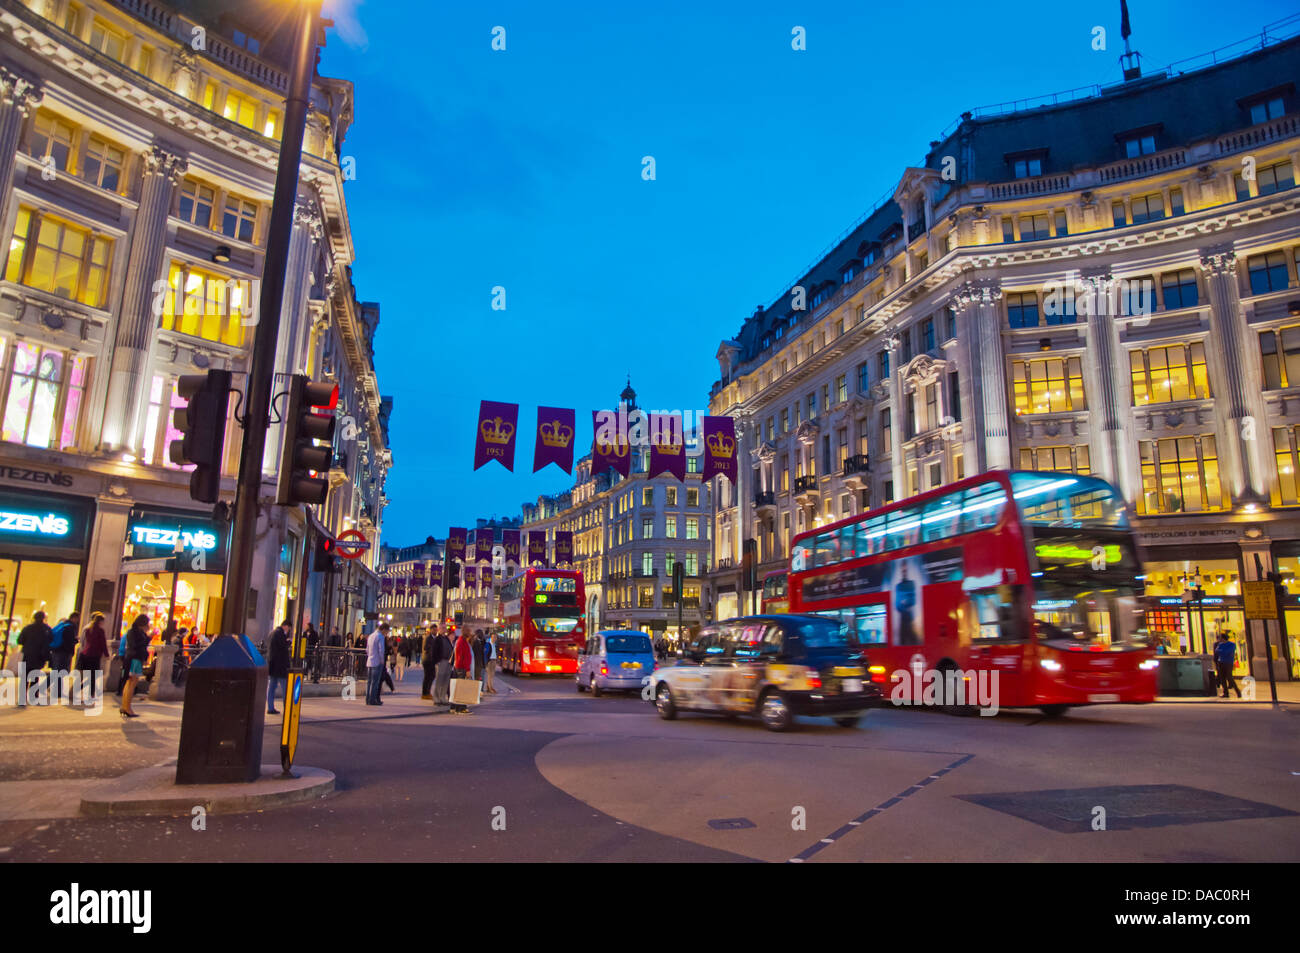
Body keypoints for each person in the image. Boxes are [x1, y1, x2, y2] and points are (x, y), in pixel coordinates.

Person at [16, 611, 52, 705]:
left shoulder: (27, 628)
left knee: (24, 678)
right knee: (35, 677)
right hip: (39, 656)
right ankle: (33, 697)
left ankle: (22, 699)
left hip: (27, 655)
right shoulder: (47, 629)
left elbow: (20, 640)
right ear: (44, 618)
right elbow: (50, 642)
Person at [120, 614, 150, 718]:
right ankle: (127, 707)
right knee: (131, 683)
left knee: (130, 683)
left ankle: (125, 706)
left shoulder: (135, 632)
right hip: (134, 659)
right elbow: (136, 646)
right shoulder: (134, 633)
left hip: (133, 658)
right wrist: (146, 638)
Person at [76, 611, 109, 703]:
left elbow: (84, 642)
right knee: (93, 677)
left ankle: (77, 692)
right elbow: (103, 644)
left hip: (86, 654)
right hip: (95, 655)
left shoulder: (88, 629)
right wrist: (106, 655)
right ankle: (90, 695)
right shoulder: (100, 630)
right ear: (100, 621)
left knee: (86, 675)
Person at [48, 611, 79, 703]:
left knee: (57, 671)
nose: (77, 621)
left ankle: (57, 691)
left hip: (56, 650)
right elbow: (68, 642)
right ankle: (48, 689)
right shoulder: (70, 627)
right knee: (59, 671)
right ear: (74, 618)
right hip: (63, 652)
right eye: (77, 618)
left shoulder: (63, 625)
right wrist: (75, 642)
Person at [267, 620, 291, 715]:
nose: (288, 630)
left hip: (272, 665)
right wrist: (288, 642)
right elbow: (283, 646)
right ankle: (288, 707)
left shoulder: (272, 633)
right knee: (285, 688)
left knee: (272, 687)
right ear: (285, 626)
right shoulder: (280, 634)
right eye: (288, 628)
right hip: (280, 666)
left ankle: (270, 707)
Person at [365, 622, 389, 706]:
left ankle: (367, 699)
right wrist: (382, 660)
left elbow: (367, 649)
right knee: (375, 682)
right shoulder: (380, 636)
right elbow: (381, 650)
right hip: (377, 662)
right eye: (386, 632)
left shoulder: (371, 635)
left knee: (369, 682)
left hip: (370, 661)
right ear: (384, 630)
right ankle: (372, 700)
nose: (386, 634)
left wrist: (370, 656)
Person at [450, 627, 473, 714]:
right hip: (461, 668)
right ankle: (461, 709)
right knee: (462, 689)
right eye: (469, 631)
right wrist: (467, 670)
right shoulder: (462, 642)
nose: (470, 633)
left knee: (458, 688)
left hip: (460, 667)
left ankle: (454, 707)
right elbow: (462, 657)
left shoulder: (462, 641)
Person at [1214, 632, 1241, 699]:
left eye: (1220, 638)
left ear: (1223, 638)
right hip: (1221, 662)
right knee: (1222, 678)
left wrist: (1221, 651)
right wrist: (1222, 651)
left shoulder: (1231, 644)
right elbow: (1216, 651)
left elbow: (1226, 652)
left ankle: (1238, 691)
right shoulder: (1220, 644)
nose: (1219, 639)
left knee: (1229, 677)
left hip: (1228, 662)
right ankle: (1225, 693)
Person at [432, 626, 454, 708]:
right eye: (442, 628)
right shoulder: (437, 639)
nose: (444, 630)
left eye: (444, 628)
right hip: (441, 661)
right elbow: (434, 651)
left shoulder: (446, 639)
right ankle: (437, 698)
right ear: (439, 630)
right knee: (439, 680)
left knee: (445, 681)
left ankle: (442, 697)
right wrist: (437, 661)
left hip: (448, 662)